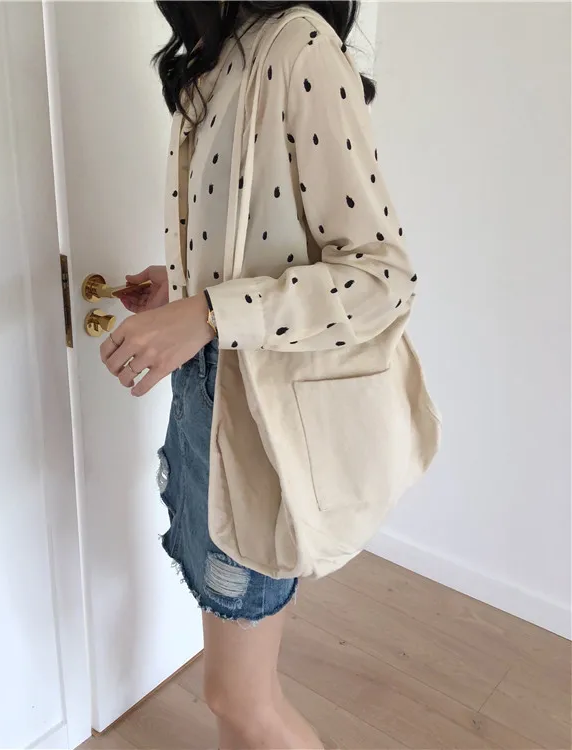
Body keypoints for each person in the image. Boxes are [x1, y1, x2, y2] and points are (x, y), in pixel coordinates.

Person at [99, 2, 439, 747]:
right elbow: (261, 243)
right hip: (206, 405)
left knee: (237, 695)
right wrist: (183, 290)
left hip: (260, 426)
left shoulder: (299, 46)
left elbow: (382, 278)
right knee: (232, 699)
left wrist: (207, 312)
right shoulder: (214, 59)